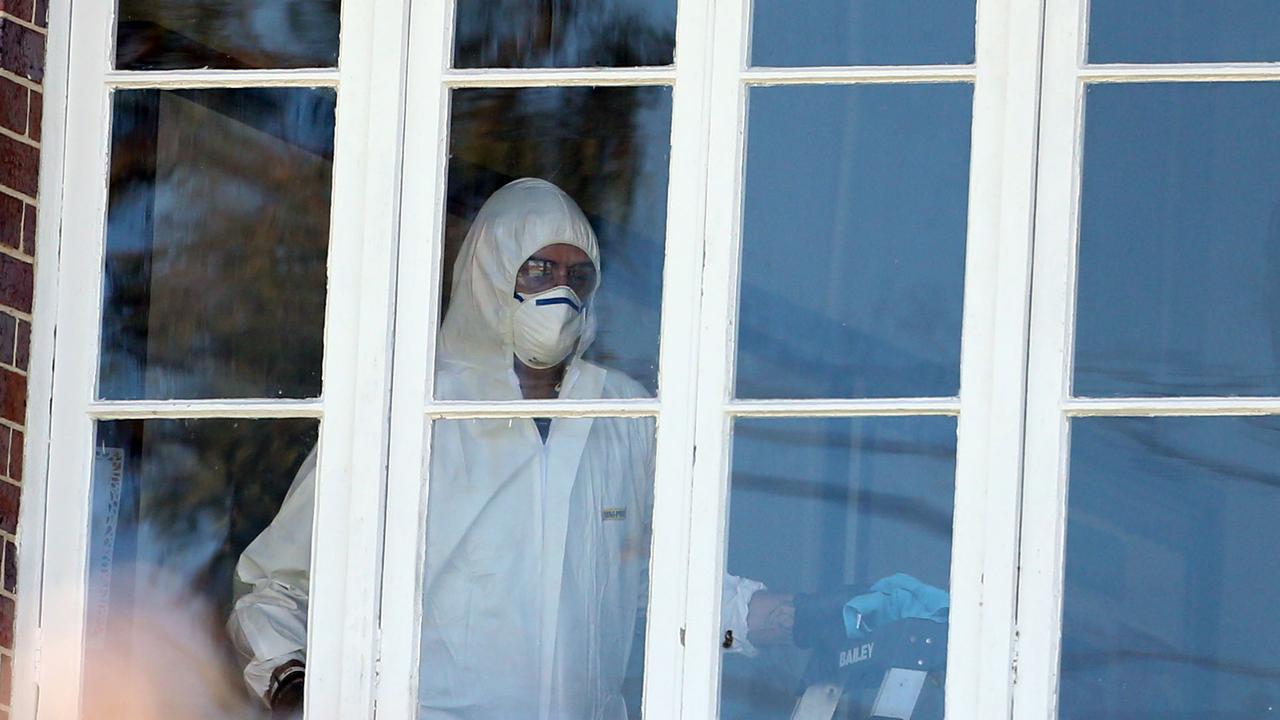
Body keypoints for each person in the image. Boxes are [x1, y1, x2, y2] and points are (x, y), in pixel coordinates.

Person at [227, 178, 768, 718]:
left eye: (578, 276)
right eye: (538, 271)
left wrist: (776, 616)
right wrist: (292, 684)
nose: (562, 293)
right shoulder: (413, 414)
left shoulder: (623, 413)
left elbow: (664, 578)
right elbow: (279, 584)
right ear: (491, 272)